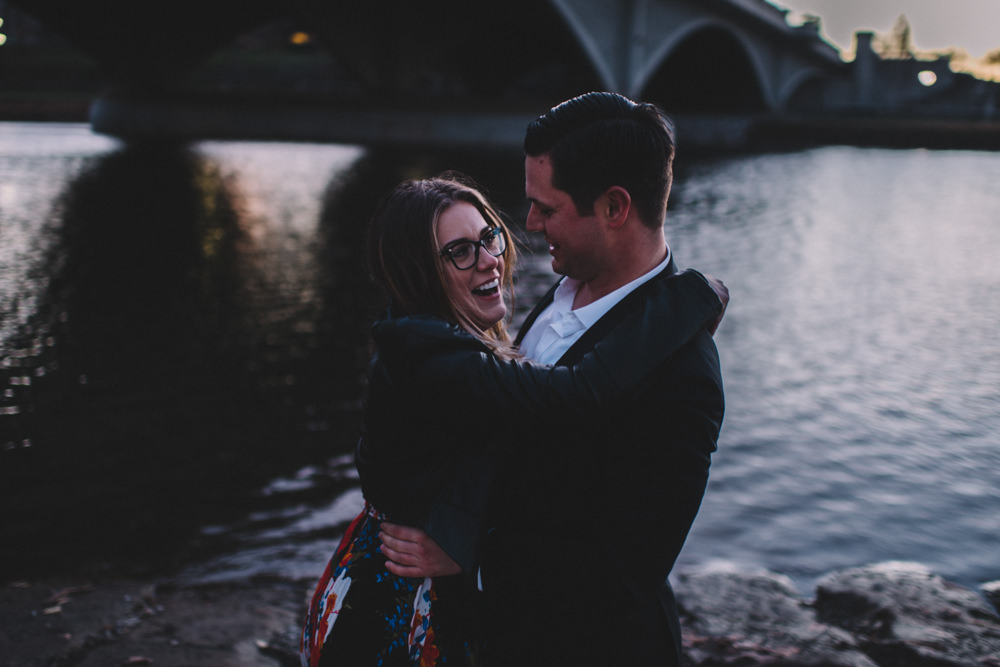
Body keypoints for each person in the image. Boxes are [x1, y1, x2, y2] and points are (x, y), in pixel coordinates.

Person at [299, 175, 726, 666]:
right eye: (459, 251)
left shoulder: (432, 338)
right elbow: (579, 392)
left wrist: (467, 542)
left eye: (488, 237)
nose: (488, 259)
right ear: (419, 271)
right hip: (397, 604)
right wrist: (692, 297)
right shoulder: (435, 362)